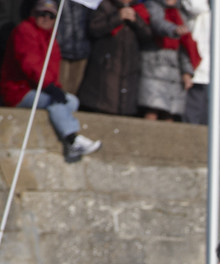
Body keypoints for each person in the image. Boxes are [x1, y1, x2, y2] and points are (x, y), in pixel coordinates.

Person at [0, 0, 102, 161]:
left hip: (39, 89)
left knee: (71, 101)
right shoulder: (24, 30)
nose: (46, 18)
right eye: (42, 14)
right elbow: (30, 64)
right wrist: (50, 88)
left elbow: (52, 70)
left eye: (51, 16)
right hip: (18, 91)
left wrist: (56, 88)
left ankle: (70, 142)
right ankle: (72, 139)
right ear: (33, 13)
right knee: (55, 102)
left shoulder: (51, 39)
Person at [78, 0, 153, 117]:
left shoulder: (139, 9)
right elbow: (94, 28)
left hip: (129, 67)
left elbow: (147, 35)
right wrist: (118, 17)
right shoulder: (106, 6)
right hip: (106, 65)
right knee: (104, 101)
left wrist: (136, 20)